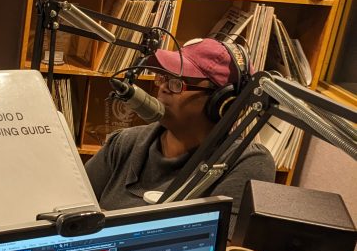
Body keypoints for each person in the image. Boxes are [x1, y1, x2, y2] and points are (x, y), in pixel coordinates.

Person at [84, 38, 276, 215]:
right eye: (164, 77)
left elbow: (219, 246)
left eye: (178, 83)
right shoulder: (125, 142)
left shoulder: (246, 161)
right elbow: (71, 206)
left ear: (222, 101)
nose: (163, 87)